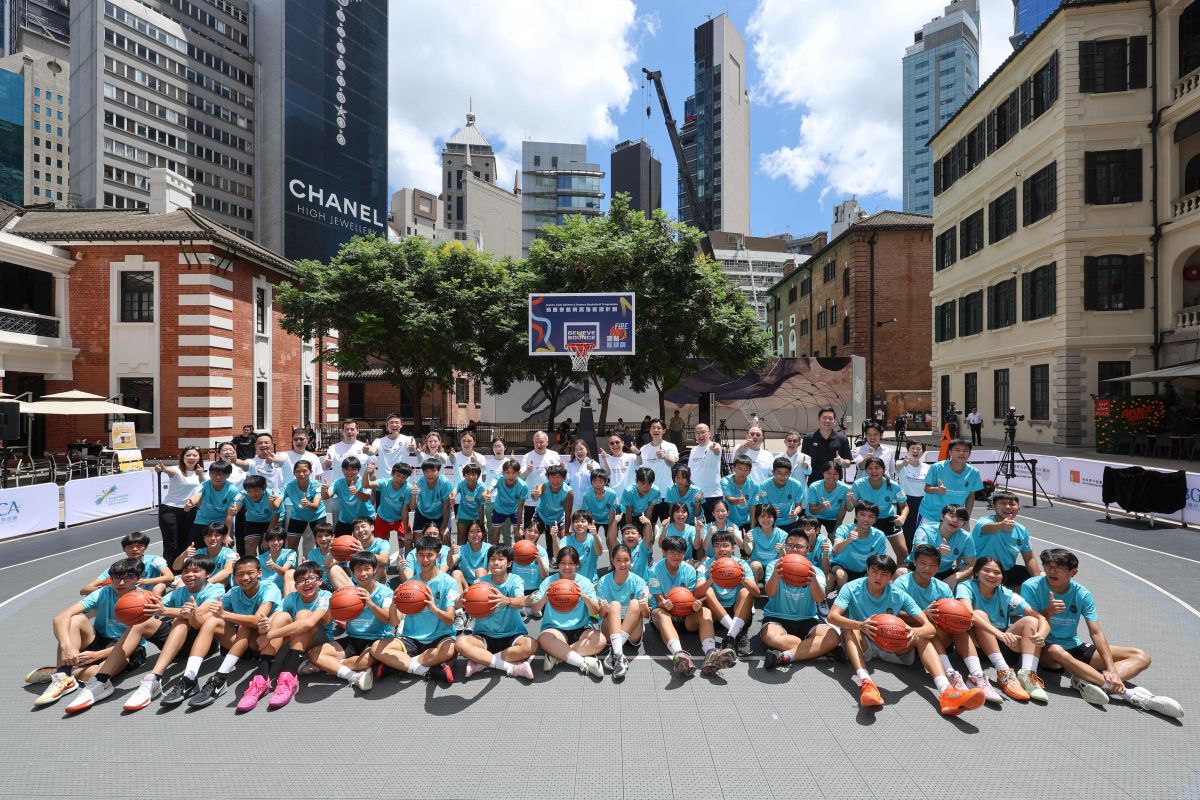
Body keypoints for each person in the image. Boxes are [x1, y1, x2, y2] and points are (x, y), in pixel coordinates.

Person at [1022, 548, 1182, 716]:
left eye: (1058, 568)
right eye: (1048, 565)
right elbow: (1029, 621)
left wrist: (1111, 669)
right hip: (1046, 648)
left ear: (1073, 572)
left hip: (1074, 646)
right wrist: (1048, 612)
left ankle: (1085, 680)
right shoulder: (1031, 586)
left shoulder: (1082, 594)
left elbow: (1096, 632)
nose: (1051, 571)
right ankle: (1127, 694)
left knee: (1142, 657)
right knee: (1056, 650)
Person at [827, 554, 986, 715]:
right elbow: (832, 616)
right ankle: (866, 683)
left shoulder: (898, 594)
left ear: (891, 578)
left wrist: (914, 631)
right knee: (849, 628)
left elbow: (929, 628)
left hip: (893, 644)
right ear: (867, 570)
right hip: (864, 644)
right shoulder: (851, 588)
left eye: (884, 574)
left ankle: (946, 691)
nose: (878, 577)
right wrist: (860, 625)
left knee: (921, 635)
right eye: (874, 571)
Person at [161, 555, 282, 708]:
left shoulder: (269, 588)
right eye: (239, 574)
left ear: (259, 573)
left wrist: (224, 614)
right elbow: (203, 621)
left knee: (245, 625)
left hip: (266, 645)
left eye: (249, 573)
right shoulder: (233, 593)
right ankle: (189, 679)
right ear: (234, 576)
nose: (244, 577)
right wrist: (192, 614)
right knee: (212, 622)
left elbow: (257, 620)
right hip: (244, 646)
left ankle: (220, 677)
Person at [27, 558, 148, 708]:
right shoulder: (103, 592)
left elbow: (134, 640)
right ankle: (63, 676)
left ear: (138, 578)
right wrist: (67, 646)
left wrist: (98, 655)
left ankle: (60, 671)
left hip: (126, 648)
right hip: (100, 639)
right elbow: (61, 617)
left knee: (96, 675)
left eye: (128, 577)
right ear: (111, 578)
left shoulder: (144, 599)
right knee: (75, 619)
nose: (121, 582)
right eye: (117, 577)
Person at [114, 555, 227, 712]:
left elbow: (199, 617)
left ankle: (155, 677)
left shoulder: (216, 589)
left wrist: (167, 611)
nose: (189, 575)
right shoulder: (178, 592)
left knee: (182, 620)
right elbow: (158, 604)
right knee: (141, 622)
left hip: (202, 644)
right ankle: (101, 679)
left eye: (196, 571)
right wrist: (143, 602)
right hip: (175, 644)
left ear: (208, 573)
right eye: (186, 571)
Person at [894, 544, 1004, 704]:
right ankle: (949, 673)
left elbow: (953, 615)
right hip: (912, 636)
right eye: (923, 563)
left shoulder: (943, 587)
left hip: (939, 638)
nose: (927, 568)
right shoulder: (902, 584)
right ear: (915, 563)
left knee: (958, 626)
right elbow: (894, 615)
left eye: (932, 565)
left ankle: (977, 676)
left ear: (938, 567)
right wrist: (923, 614)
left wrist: (962, 619)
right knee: (929, 625)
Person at [236, 560, 333, 711]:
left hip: (320, 642)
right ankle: (260, 680)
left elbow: (309, 623)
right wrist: (265, 627)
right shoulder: (291, 598)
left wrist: (269, 636)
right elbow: (276, 618)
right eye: (301, 580)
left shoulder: (325, 596)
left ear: (320, 581)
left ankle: (288, 678)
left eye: (311, 578)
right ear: (295, 586)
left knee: (303, 614)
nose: (306, 583)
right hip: (296, 643)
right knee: (281, 616)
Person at [369, 535, 459, 685]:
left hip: (440, 636)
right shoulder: (409, 584)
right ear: (416, 556)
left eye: (430, 555)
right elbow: (394, 622)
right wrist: (393, 605)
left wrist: (434, 608)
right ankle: (427, 670)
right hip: (412, 638)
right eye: (421, 555)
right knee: (376, 648)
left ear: (438, 555)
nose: (425, 560)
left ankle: (399, 665)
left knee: (450, 650)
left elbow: (450, 619)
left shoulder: (449, 582)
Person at [959, 556, 1051, 703]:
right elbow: (969, 614)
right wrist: (1000, 634)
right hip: (978, 644)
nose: (992, 575)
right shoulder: (966, 587)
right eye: (986, 571)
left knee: (1031, 620)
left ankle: (1027, 673)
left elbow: (1039, 617)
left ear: (1002, 577)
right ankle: (1003, 671)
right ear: (976, 572)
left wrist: (1041, 634)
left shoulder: (1007, 594)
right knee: (979, 614)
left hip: (1003, 643)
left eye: (997, 572)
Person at [647, 535, 735, 677]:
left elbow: (692, 596)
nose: (676, 556)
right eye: (672, 552)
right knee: (660, 613)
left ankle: (711, 654)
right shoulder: (654, 571)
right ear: (663, 552)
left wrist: (695, 605)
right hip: (665, 615)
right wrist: (664, 604)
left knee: (705, 610)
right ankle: (679, 655)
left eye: (680, 552)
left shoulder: (689, 570)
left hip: (686, 617)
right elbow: (658, 600)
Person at [761, 529, 841, 670]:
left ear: (808, 549)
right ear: (785, 547)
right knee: (769, 636)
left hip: (806, 618)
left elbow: (820, 598)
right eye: (790, 545)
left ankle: (786, 655)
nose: (794, 549)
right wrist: (775, 575)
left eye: (799, 546)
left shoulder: (815, 571)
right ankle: (815, 648)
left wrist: (813, 581)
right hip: (777, 615)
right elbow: (770, 593)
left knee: (833, 637)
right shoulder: (775, 565)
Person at [455, 546, 537, 680]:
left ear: (509, 563)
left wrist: (507, 600)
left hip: (512, 634)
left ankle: (484, 661)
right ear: (488, 563)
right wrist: (461, 600)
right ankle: (510, 667)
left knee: (531, 645)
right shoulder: (480, 583)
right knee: (460, 644)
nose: (496, 562)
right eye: (492, 559)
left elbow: (521, 601)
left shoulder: (515, 580)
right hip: (484, 636)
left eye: (501, 559)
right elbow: (459, 604)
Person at [306, 553, 383, 692]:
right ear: (352, 573)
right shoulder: (347, 593)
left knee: (366, 661)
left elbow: (388, 619)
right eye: (358, 570)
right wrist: (333, 605)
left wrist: (370, 603)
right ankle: (354, 676)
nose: (363, 573)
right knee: (314, 653)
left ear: (375, 569)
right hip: (353, 638)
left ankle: (329, 665)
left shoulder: (385, 592)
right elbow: (328, 621)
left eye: (367, 569)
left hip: (376, 639)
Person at [529, 546, 606, 677]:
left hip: (581, 629)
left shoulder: (585, 582)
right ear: (557, 564)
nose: (567, 567)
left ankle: (557, 655)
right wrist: (544, 598)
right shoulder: (549, 581)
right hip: (555, 629)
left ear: (577, 565)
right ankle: (583, 663)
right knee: (543, 639)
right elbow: (535, 608)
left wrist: (585, 597)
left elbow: (595, 610)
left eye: (571, 563)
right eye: (563, 563)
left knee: (601, 640)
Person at [596, 543, 650, 679]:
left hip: (632, 629)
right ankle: (619, 656)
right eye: (618, 560)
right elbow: (601, 615)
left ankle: (615, 651)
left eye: (626, 560)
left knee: (635, 603)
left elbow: (646, 615)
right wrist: (603, 608)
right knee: (614, 605)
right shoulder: (603, 581)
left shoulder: (639, 582)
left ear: (631, 561)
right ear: (612, 561)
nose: (622, 564)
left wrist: (644, 607)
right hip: (609, 626)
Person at [701, 531, 758, 658]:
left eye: (725, 545)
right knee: (707, 590)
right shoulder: (706, 565)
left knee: (746, 591)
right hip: (716, 613)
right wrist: (710, 579)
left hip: (738, 612)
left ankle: (730, 636)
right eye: (717, 545)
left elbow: (756, 592)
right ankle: (737, 633)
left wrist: (743, 580)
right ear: (713, 548)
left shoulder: (742, 564)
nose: (721, 549)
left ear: (733, 548)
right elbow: (698, 592)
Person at [971, 490, 1040, 588]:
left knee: (1040, 577)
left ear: (1018, 508)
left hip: (1005, 571)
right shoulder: (983, 522)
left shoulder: (1021, 530)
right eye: (1003, 503)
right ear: (993, 506)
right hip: (980, 571)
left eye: (1012, 504)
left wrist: (1038, 581)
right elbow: (987, 528)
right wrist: (1001, 526)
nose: (1008, 507)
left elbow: (1029, 558)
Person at [849, 455, 909, 562]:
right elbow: (849, 508)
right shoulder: (858, 484)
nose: (873, 471)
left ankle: (898, 576)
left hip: (888, 518)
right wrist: (848, 500)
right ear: (866, 470)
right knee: (863, 551)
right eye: (870, 468)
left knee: (903, 552)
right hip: (866, 520)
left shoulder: (894, 486)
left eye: (877, 468)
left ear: (883, 470)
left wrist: (903, 517)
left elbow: (904, 506)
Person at [79, 531, 173, 598]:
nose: (135, 549)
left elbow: (170, 577)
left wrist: (145, 582)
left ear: (145, 547)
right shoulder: (119, 567)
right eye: (130, 547)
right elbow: (84, 590)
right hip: (126, 597)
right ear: (124, 549)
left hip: (147, 595)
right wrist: (108, 588)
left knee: (160, 586)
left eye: (139, 546)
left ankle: (154, 611)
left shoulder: (155, 559)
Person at [155, 447, 204, 566]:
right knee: (171, 542)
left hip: (190, 511)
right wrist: (163, 468)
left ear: (199, 458)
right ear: (182, 457)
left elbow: (203, 485)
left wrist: (200, 474)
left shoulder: (202, 474)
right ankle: (168, 571)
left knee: (187, 542)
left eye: (194, 455)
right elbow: (169, 471)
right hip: (170, 510)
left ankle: (182, 570)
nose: (191, 458)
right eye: (188, 455)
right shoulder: (176, 471)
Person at [829, 501, 889, 595]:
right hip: (841, 566)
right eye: (862, 514)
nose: (866, 519)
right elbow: (835, 551)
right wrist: (847, 540)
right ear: (856, 516)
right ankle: (843, 596)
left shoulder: (879, 536)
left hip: (865, 570)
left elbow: (880, 560)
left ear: (875, 520)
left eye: (871, 516)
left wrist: (871, 573)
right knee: (841, 576)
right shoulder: (843, 529)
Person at [908, 504, 975, 588]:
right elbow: (918, 552)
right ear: (942, 516)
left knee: (964, 582)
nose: (955, 520)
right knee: (900, 573)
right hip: (919, 569)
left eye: (960, 519)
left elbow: (970, 564)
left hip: (943, 572)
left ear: (963, 524)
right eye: (952, 516)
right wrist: (937, 552)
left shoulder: (966, 537)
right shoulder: (925, 529)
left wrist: (954, 578)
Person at [919, 438, 982, 525]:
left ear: (970, 453)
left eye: (965, 450)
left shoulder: (974, 472)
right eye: (957, 450)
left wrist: (966, 518)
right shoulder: (937, 467)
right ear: (950, 452)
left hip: (955, 517)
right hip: (930, 515)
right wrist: (937, 489)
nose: (961, 453)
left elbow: (971, 496)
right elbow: (926, 489)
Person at [182, 460, 239, 549]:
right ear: (209, 474)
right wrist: (190, 503)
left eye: (222, 474)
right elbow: (197, 495)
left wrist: (227, 535)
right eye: (214, 473)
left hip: (222, 522)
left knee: (224, 550)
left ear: (228, 475)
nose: (217, 477)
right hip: (202, 520)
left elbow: (230, 514)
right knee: (193, 548)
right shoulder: (205, 485)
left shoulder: (233, 490)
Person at [227, 474, 284, 557]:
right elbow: (232, 512)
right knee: (249, 546)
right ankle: (253, 567)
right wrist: (227, 534)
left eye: (256, 490)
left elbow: (276, 517)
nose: (253, 494)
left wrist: (266, 538)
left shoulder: (273, 495)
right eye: (249, 491)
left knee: (267, 547)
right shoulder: (242, 495)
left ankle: (268, 567)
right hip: (253, 520)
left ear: (263, 489)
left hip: (272, 520)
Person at [364, 461, 413, 557]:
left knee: (407, 540)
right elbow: (366, 485)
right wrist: (366, 473)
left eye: (403, 477)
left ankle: (403, 557)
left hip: (399, 519)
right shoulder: (384, 483)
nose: (400, 479)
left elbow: (405, 510)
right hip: (383, 518)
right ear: (392, 474)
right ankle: (384, 560)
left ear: (407, 478)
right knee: (380, 542)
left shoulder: (408, 488)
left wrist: (406, 531)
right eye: (397, 475)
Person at [323, 455, 376, 535]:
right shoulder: (338, 483)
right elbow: (326, 496)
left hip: (365, 518)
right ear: (342, 470)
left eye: (353, 469)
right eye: (346, 469)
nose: (349, 472)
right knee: (339, 544)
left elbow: (366, 498)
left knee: (364, 545)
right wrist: (324, 490)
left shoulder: (365, 482)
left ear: (358, 470)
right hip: (345, 519)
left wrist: (356, 492)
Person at [639, 419, 679, 522]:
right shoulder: (643, 449)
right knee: (648, 526)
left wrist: (664, 456)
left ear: (664, 431)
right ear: (650, 430)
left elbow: (672, 463)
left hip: (665, 494)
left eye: (659, 428)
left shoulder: (670, 446)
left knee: (668, 525)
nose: (656, 430)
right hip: (648, 494)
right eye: (653, 428)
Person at [519, 431, 562, 526]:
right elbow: (521, 478)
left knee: (550, 531)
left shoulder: (554, 455)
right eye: (536, 442)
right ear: (533, 443)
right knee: (530, 530)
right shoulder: (527, 456)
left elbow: (561, 476)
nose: (539, 445)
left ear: (547, 442)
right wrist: (527, 470)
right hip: (531, 500)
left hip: (550, 500)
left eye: (541, 442)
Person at [174, 523, 238, 586]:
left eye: (217, 535)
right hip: (200, 582)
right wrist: (183, 555)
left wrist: (207, 583)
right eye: (209, 535)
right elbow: (176, 567)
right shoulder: (199, 552)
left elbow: (228, 570)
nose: (212, 538)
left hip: (218, 584)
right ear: (204, 538)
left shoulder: (230, 553)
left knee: (222, 581)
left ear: (223, 537)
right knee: (180, 583)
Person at [282, 459, 326, 550]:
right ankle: (291, 564)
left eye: (305, 471)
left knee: (321, 544)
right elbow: (276, 503)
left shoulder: (317, 485)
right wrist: (272, 502)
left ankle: (319, 563)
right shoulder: (288, 486)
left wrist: (307, 503)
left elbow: (315, 506)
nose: (301, 474)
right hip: (298, 516)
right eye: (298, 471)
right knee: (291, 546)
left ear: (311, 472)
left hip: (317, 515)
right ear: (294, 472)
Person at [755, 456, 807, 533]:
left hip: (790, 522)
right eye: (779, 473)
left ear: (790, 473)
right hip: (770, 522)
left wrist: (795, 512)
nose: (782, 476)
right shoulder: (763, 486)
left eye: (786, 473)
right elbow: (763, 506)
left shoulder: (797, 485)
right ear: (773, 473)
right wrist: (771, 511)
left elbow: (798, 505)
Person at [800, 407, 852, 484]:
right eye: (824, 418)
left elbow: (848, 462)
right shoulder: (809, 438)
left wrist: (842, 462)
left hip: (834, 481)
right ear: (818, 419)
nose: (827, 421)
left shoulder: (842, 439)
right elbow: (804, 459)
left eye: (830, 418)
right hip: (814, 481)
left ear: (834, 421)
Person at [895, 441, 930, 551]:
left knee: (920, 531)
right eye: (912, 448)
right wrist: (903, 463)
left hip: (923, 502)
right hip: (905, 502)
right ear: (908, 450)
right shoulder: (901, 464)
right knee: (906, 531)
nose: (915, 451)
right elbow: (896, 467)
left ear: (923, 452)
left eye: (919, 449)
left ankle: (918, 556)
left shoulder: (927, 468)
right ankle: (906, 557)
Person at [485, 459, 528, 545]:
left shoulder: (523, 486)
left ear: (518, 473)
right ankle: (494, 554)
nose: (511, 475)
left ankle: (518, 556)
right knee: (495, 535)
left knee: (518, 535)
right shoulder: (498, 479)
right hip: (499, 510)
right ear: (503, 472)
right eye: (507, 472)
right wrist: (485, 493)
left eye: (514, 472)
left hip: (515, 511)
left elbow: (520, 508)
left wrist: (518, 528)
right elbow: (490, 487)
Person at [532, 463, 573, 549]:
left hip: (557, 519)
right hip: (541, 516)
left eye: (558, 477)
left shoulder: (569, 492)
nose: (555, 480)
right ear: (548, 478)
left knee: (567, 543)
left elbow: (568, 513)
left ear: (564, 478)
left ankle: (562, 560)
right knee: (531, 541)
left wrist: (566, 531)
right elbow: (536, 491)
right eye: (552, 477)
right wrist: (535, 494)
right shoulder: (543, 486)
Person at [688, 423, 725, 518]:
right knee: (699, 526)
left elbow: (716, 449)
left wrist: (715, 448)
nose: (700, 435)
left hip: (713, 494)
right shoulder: (693, 451)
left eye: (703, 432)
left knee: (714, 526)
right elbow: (690, 471)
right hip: (697, 496)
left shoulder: (714, 446)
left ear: (709, 434)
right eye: (697, 433)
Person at [805, 461, 851, 536]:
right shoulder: (814, 487)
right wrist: (822, 507)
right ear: (823, 473)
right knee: (811, 537)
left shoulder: (845, 489)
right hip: (814, 516)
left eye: (835, 474)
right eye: (828, 473)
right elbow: (812, 510)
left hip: (833, 517)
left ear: (839, 475)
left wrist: (837, 527)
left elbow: (842, 510)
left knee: (834, 538)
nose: (832, 477)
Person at [559, 509, 604, 583]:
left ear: (589, 524)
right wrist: (554, 537)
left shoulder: (594, 538)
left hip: (591, 582)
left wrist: (595, 535)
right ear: (573, 525)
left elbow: (599, 553)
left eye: (583, 521)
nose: (580, 524)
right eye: (576, 521)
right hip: (571, 582)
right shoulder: (566, 540)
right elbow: (558, 554)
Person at [580, 467, 620, 547]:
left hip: (608, 519)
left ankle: (613, 558)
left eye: (600, 481)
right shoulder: (587, 495)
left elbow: (612, 513)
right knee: (591, 541)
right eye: (594, 481)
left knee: (610, 541)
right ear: (591, 482)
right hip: (593, 520)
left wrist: (609, 532)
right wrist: (592, 527)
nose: (597, 484)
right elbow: (588, 513)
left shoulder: (612, 494)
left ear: (605, 482)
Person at [412, 458, 453, 536]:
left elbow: (446, 506)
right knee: (417, 540)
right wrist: (413, 494)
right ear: (423, 472)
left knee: (445, 536)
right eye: (427, 471)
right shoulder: (419, 483)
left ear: (439, 471)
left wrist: (444, 526)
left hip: (440, 514)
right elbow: (413, 507)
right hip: (422, 513)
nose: (430, 474)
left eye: (433, 470)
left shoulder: (445, 483)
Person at [745, 504, 786, 583]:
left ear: (774, 518)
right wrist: (746, 542)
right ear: (757, 518)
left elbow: (783, 558)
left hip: (774, 569)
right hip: (758, 568)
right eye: (762, 516)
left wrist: (781, 550)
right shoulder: (752, 533)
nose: (766, 520)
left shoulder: (783, 534)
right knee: (755, 565)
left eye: (769, 516)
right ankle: (753, 592)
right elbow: (748, 552)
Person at [450, 462, 488, 545]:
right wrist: (452, 497)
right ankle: (460, 556)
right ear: (464, 475)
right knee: (461, 538)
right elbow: (454, 491)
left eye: (474, 474)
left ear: (478, 475)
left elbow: (481, 507)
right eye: (467, 474)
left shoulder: (482, 488)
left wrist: (481, 523)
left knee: (479, 539)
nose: (470, 477)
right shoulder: (461, 484)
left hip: (477, 516)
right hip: (463, 515)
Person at [720, 454, 758, 532]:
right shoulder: (725, 481)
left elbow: (752, 508)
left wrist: (752, 529)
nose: (742, 472)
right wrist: (738, 500)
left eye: (746, 470)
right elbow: (729, 499)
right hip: (729, 522)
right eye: (739, 469)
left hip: (746, 523)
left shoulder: (755, 485)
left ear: (750, 471)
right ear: (733, 468)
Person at [256, 527, 298, 596]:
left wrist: (274, 566)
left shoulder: (290, 553)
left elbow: (285, 572)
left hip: (283, 590)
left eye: (279, 539)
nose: (276, 543)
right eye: (272, 540)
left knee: (290, 572)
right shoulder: (259, 558)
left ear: (284, 540)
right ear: (267, 541)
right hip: (265, 591)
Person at [602, 433, 638, 498]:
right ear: (609, 445)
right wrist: (605, 460)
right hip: (613, 498)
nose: (615, 445)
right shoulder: (607, 459)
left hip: (630, 497)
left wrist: (638, 453)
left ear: (622, 443)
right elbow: (606, 474)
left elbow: (640, 462)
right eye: (612, 443)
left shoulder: (631, 457)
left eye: (617, 442)